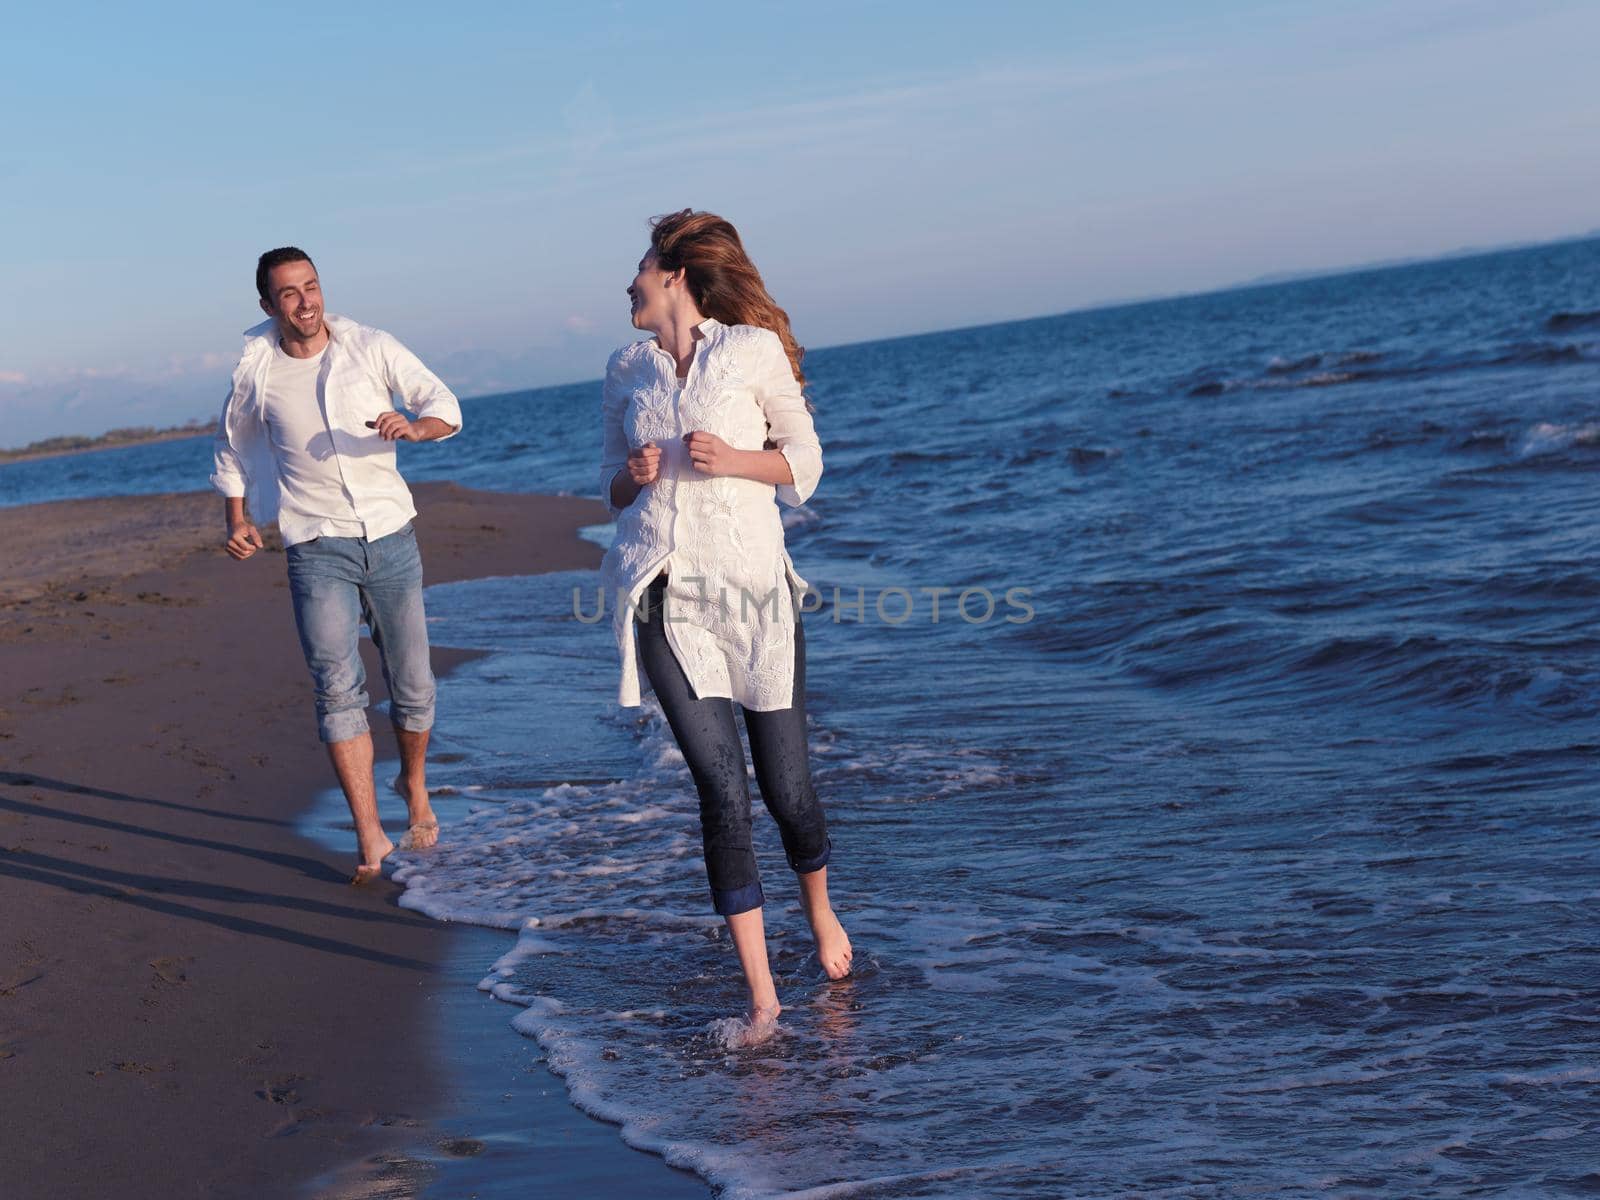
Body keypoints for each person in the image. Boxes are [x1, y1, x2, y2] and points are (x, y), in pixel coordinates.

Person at [599, 209, 852, 1031]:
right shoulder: (625, 367)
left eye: (638, 268)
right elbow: (608, 484)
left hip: (752, 594)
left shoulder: (750, 351)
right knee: (721, 788)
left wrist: (734, 460)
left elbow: (804, 462)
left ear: (673, 273)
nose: (627, 284)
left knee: (788, 790)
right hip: (665, 593)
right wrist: (634, 478)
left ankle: (818, 910)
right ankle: (764, 996)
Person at [211, 247, 463, 883]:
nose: (306, 302)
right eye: (290, 294)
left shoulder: (370, 347)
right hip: (314, 544)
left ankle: (412, 784)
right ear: (269, 306)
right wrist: (237, 520)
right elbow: (233, 449)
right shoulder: (257, 372)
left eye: (311, 286)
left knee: (413, 684)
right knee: (336, 688)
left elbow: (445, 406)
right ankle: (370, 832)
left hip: (390, 534)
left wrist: (415, 426)